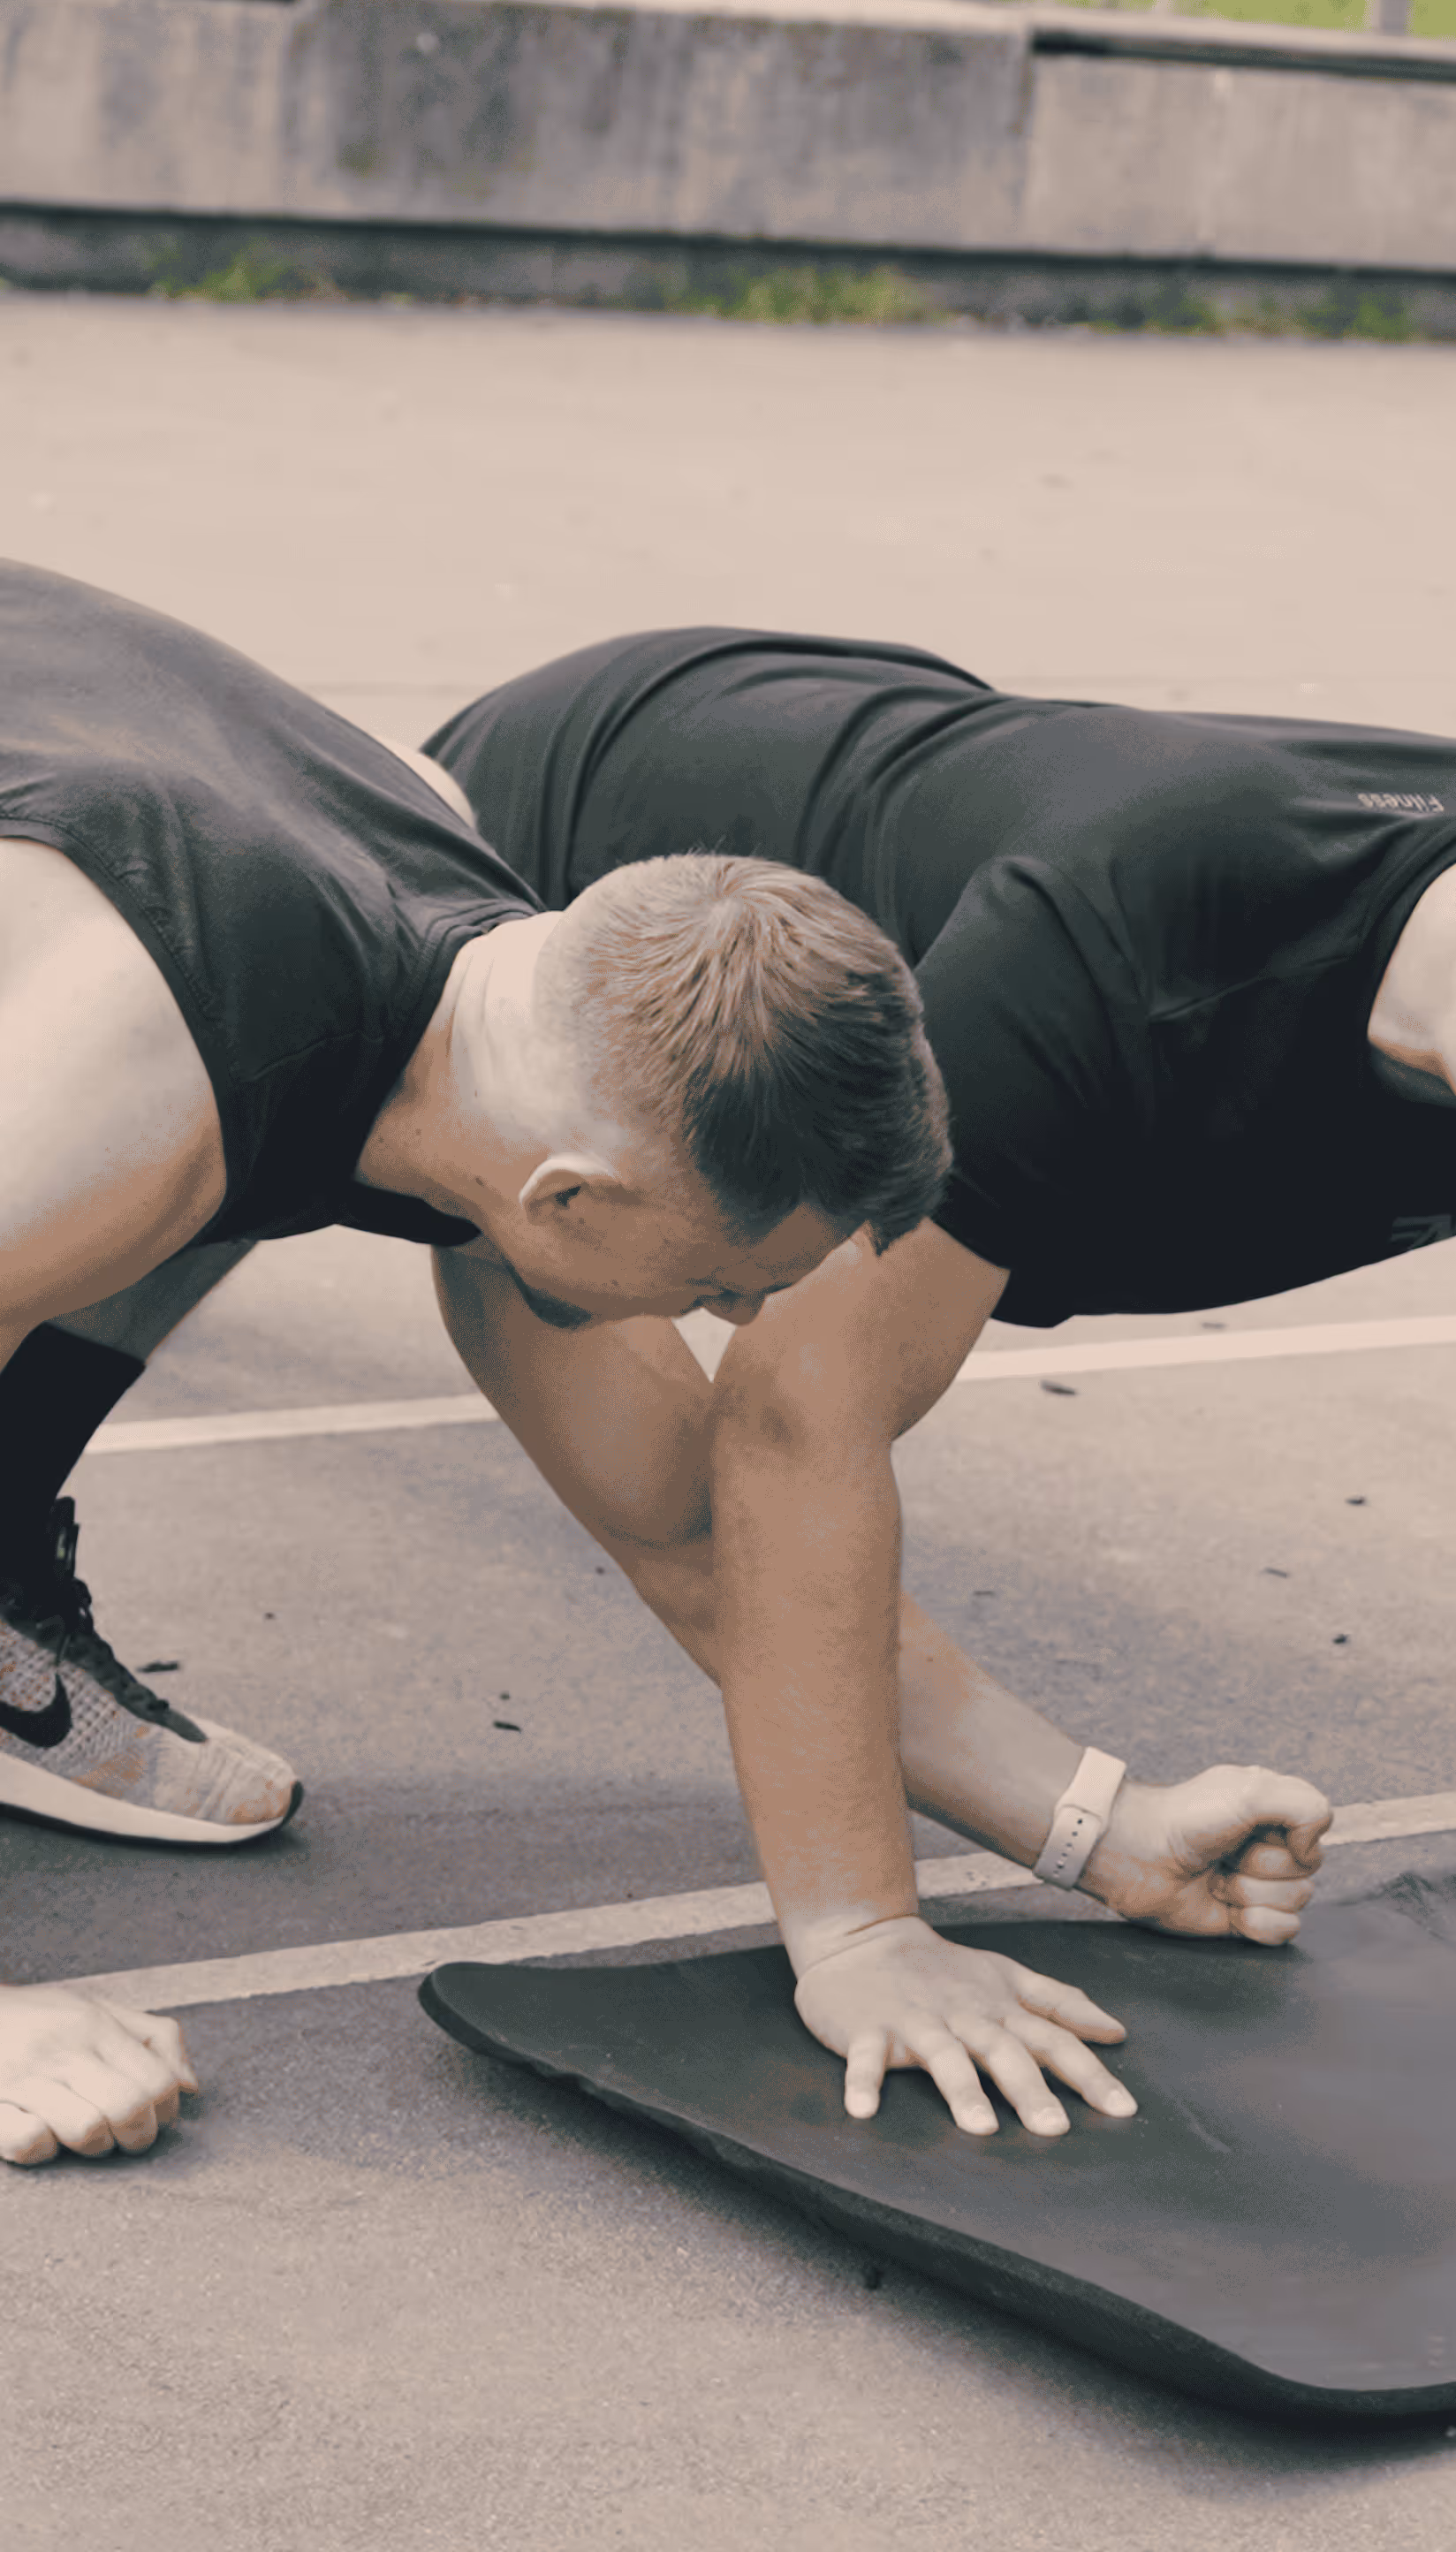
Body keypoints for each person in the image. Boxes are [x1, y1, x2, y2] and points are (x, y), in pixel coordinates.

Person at [415, 627, 1456, 2143]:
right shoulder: (1119, 963)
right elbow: (799, 1424)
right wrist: (862, 1933)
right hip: (547, 822)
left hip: (892, 758)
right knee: (285, 1142)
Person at [0, 568, 1325, 2172]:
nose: (714, 1331)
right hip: (80, 1060)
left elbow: (695, 1527)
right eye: (715, 1285)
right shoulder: (127, 1096)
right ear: (573, 1199)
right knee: (156, 1181)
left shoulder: (493, 1015)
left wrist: (1086, 1828)